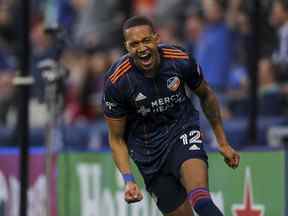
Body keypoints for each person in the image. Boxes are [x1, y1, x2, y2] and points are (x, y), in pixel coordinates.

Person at [102, 16, 240, 216]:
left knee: (201, 200)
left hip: (182, 131)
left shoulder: (180, 60)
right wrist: (128, 180)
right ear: (126, 47)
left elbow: (207, 95)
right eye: (134, 44)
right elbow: (116, 138)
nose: (142, 48)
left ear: (156, 38)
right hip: (148, 153)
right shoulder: (117, 81)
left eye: (146, 40)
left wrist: (223, 142)